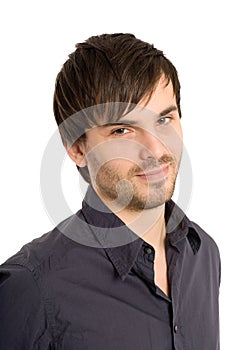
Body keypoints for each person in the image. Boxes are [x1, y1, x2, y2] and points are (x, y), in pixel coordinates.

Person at [0, 33, 220, 349]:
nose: (156, 149)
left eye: (163, 119)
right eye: (122, 130)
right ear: (77, 148)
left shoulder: (204, 254)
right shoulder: (30, 288)